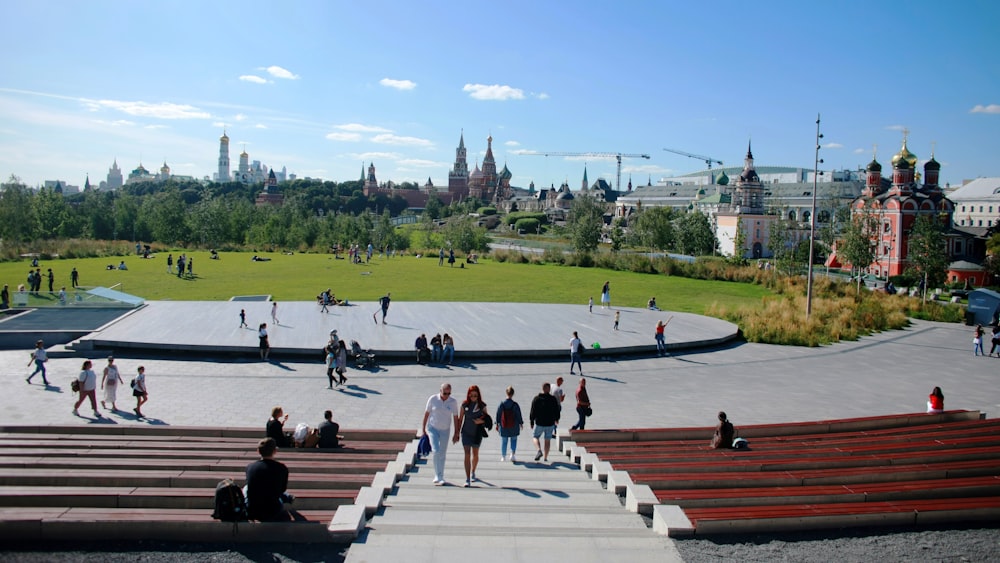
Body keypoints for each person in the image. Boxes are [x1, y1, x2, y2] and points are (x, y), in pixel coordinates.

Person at [245, 437, 293, 522]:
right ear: (275, 451)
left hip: (253, 510)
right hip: (273, 511)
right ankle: (288, 498)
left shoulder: (250, 467)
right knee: (282, 492)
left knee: (246, 488)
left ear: (258, 451)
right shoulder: (281, 468)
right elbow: (282, 489)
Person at [421, 383, 460, 485]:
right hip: (432, 428)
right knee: (436, 450)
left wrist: (456, 432)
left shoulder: (453, 402)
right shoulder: (433, 399)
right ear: (440, 391)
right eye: (445, 393)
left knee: (442, 452)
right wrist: (423, 429)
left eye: (449, 393)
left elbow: (456, 418)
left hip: (445, 430)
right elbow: (426, 414)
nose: (446, 395)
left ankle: (441, 476)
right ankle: (436, 474)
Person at [457, 385, 487, 487]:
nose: (473, 397)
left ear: (478, 395)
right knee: (467, 454)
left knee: (475, 454)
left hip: (477, 434)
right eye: (471, 396)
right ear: (468, 395)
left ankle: (473, 471)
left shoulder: (482, 406)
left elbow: (487, 419)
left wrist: (481, 421)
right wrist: (457, 432)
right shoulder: (464, 405)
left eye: (475, 396)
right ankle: (467, 478)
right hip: (466, 432)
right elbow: (460, 419)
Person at [529, 382, 560, 462]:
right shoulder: (553, 399)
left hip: (539, 422)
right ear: (549, 389)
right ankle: (546, 457)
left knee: (535, 436)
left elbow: (533, 411)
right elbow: (557, 410)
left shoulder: (537, 399)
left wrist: (532, 421)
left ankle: (539, 450)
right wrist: (557, 419)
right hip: (550, 423)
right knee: (547, 440)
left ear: (542, 388)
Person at [496, 386, 523, 462]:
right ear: (513, 394)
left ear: (506, 393)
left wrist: (497, 423)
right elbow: (518, 414)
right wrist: (521, 423)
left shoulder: (502, 404)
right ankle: (512, 454)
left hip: (504, 425)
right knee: (514, 440)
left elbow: (498, 414)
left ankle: (503, 456)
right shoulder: (515, 404)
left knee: (504, 441)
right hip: (514, 425)